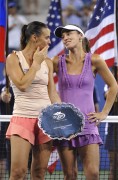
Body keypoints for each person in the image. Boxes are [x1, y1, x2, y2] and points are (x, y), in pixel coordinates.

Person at [52, 24, 118, 180]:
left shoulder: (95, 60)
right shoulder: (56, 62)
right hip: (64, 125)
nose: (65, 37)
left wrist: (104, 112)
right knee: (70, 175)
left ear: (80, 35)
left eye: (69, 33)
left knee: (93, 173)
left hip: (88, 124)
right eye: (63, 36)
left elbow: (113, 85)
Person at [5, 21, 61, 180]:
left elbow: (52, 94)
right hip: (22, 117)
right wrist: (36, 63)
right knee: (18, 173)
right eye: (47, 37)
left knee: (39, 173)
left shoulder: (48, 62)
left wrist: (64, 117)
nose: (50, 41)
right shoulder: (13, 58)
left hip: (45, 121)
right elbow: (22, 85)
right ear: (35, 38)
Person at [105, 64, 118, 180]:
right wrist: (114, 92)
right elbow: (107, 95)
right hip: (114, 129)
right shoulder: (109, 84)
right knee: (114, 165)